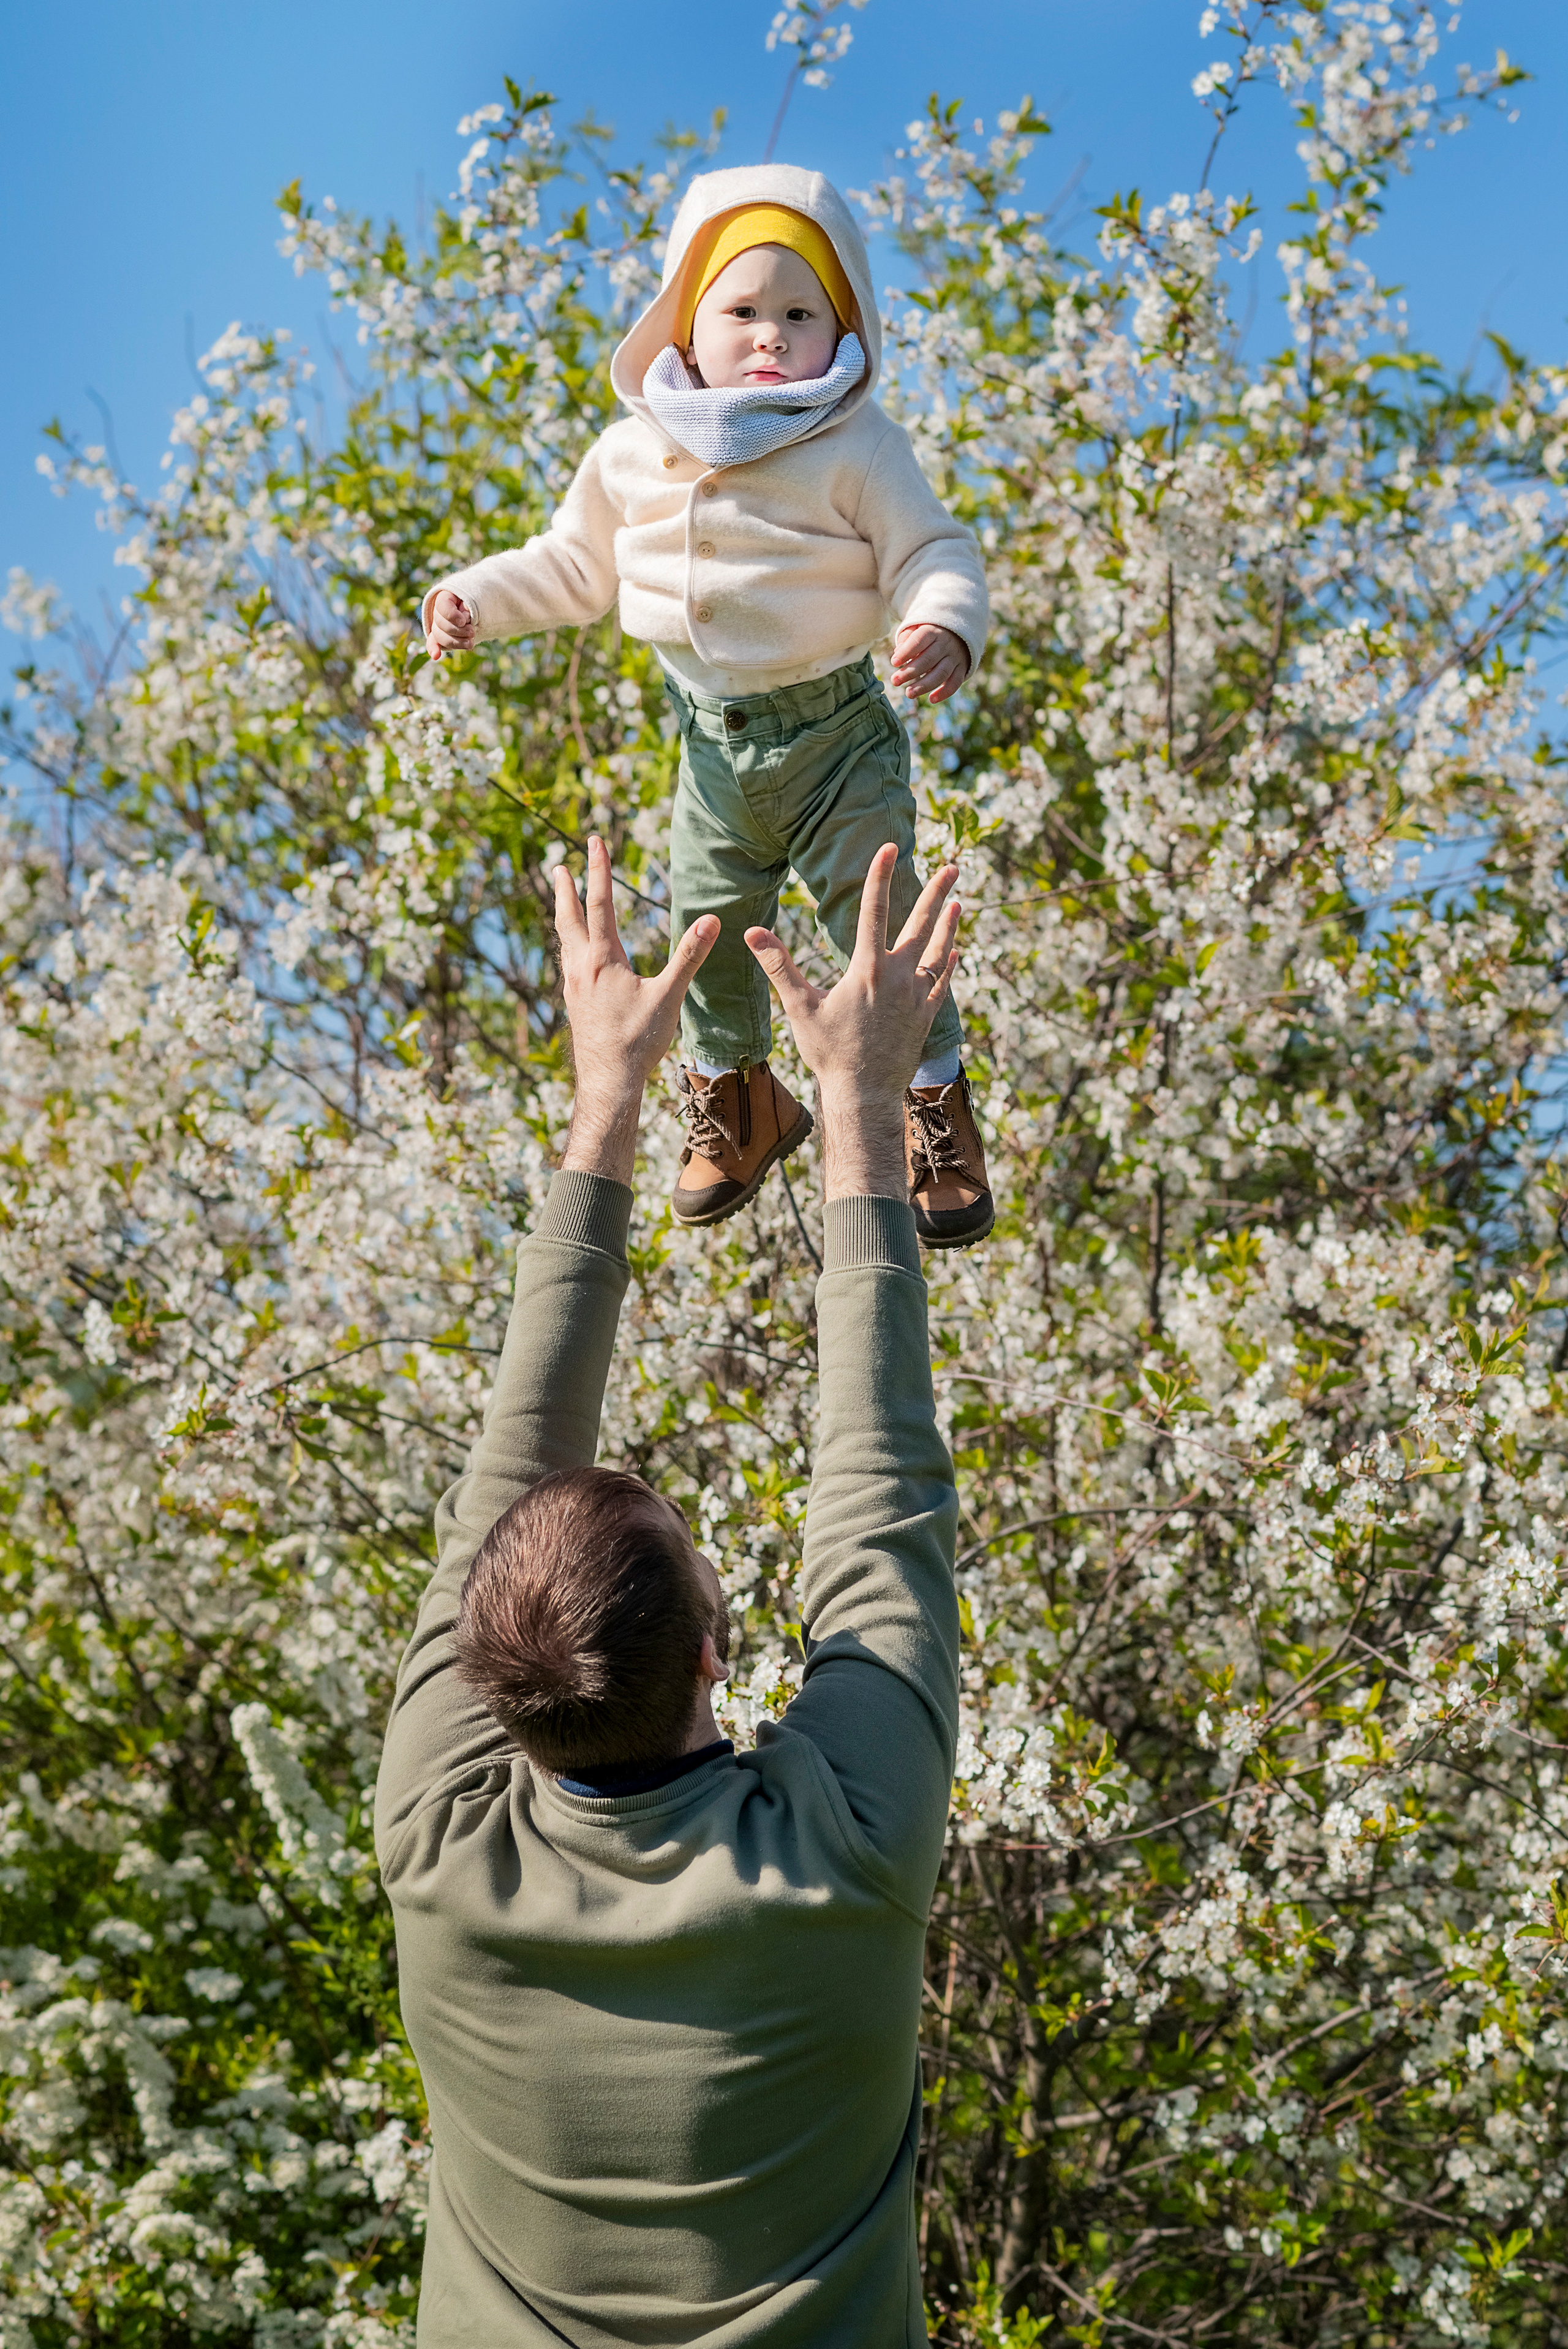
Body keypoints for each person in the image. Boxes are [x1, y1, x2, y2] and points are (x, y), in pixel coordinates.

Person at [374, 835, 963, 2346]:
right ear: (715, 1651)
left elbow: (879, 1509)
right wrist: (852, 1102)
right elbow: (872, 1484)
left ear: (484, 1686)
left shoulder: (446, 1847)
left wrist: (618, 1105)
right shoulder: (839, 1847)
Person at [420, 161, 993, 1250]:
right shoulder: (637, 449)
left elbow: (934, 548)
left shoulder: (854, 444)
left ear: (847, 327)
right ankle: (740, 1098)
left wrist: (943, 621)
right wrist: (472, 601)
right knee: (707, 931)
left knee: (880, 915)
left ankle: (933, 1096)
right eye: (742, 311)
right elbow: (572, 564)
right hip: (714, 750)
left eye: (800, 313)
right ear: (687, 319)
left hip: (836, 736)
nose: (770, 335)